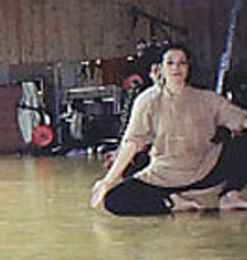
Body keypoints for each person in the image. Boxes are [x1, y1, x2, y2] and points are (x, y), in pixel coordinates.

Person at [91, 44, 247, 215]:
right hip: (162, 176)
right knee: (114, 200)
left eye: (182, 63)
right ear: (160, 68)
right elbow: (132, 142)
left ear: (188, 68)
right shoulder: (147, 100)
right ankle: (172, 203)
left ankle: (229, 195)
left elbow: (240, 119)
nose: (176, 68)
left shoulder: (208, 99)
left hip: (204, 170)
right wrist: (107, 181)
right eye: (170, 63)